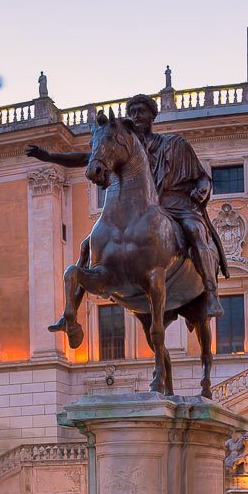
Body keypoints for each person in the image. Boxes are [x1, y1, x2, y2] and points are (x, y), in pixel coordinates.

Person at [26, 92, 226, 340]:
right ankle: (69, 315)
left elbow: (201, 176)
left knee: (195, 231)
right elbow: (88, 158)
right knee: (88, 244)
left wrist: (202, 188)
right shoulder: (124, 148)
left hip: (176, 205)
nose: (136, 116)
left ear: (152, 116)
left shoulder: (174, 144)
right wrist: (50, 157)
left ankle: (211, 293)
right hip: (141, 211)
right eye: (132, 112)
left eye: (141, 111)